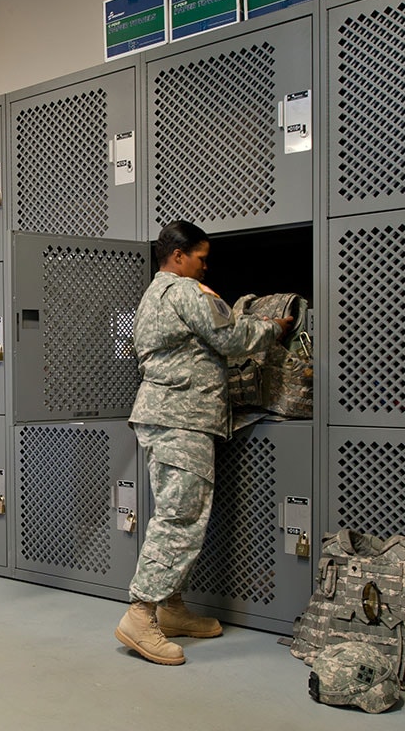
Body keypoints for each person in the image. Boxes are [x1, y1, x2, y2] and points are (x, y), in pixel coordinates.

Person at [115, 220, 294, 665]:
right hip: (183, 419)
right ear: (179, 256)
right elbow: (231, 339)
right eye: (201, 257)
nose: (205, 265)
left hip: (162, 417)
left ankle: (170, 608)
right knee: (180, 518)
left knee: (176, 512)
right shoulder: (187, 292)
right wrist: (272, 327)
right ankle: (140, 614)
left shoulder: (152, 295)